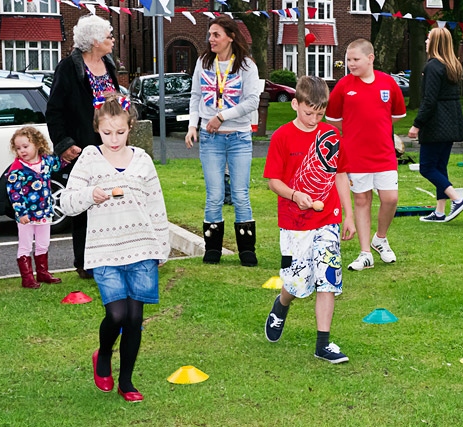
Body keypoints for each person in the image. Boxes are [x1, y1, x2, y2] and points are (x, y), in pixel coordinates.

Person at [61, 92, 170, 402]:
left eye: (120, 132)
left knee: (135, 318)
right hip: (105, 249)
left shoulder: (143, 160)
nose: (114, 138)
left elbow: (156, 205)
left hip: (142, 247)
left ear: (130, 126)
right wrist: (89, 194)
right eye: (107, 132)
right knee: (117, 314)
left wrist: (161, 247)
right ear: (98, 128)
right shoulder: (89, 159)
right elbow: (67, 202)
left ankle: (126, 381)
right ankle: (104, 354)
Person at [263, 76, 356, 364]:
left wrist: (349, 215)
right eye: (308, 112)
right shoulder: (281, 137)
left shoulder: (331, 136)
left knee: (328, 278)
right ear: (295, 104)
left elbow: (340, 174)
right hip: (294, 222)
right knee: (298, 282)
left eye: (320, 113)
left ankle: (323, 344)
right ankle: (282, 304)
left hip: (328, 219)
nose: (314, 118)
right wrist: (294, 195)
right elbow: (273, 181)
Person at [47, 14, 119, 279]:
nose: (112, 40)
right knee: (85, 204)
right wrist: (64, 143)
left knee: (113, 199)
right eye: (109, 36)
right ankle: (85, 262)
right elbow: (54, 111)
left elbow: (114, 104)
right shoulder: (68, 68)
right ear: (94, 41)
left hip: (111, 146)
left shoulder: (109, 64)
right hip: (82, 148)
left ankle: (112, 256)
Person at [185, 15, 260, 267]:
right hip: (210, 138)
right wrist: (192, 126)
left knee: (240, 194)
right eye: (210, 35)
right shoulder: (204, 62)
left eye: (216, 34)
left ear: (231, 36)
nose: (211, 39)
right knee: (214, 194)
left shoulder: (247, 66)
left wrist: (221, 116)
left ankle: (247, 250)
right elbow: (195, 96)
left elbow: (251, 101)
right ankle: (213, 248)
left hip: (239, 137)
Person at [326, 38, 406, 271]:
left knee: (390, 199)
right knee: (362, 200)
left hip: (384, 154)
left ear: (370, 59)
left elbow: (398, 114)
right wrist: (354, 130)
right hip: (355, 155)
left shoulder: (388, 83)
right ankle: (364, 253)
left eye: (355, 60)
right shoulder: (343, 86)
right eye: (348, 60)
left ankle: (380, 238)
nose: (350, 64)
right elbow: (333, 119)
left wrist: (378, 126)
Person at [408, 27, 463, 222]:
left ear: (435, 43)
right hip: (451, 122)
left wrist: (417, 124)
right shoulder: (452, 66)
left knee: (427, 167)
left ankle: (457, 200)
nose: (426, 42)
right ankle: (440, 212)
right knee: (440, 167)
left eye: (428, 39)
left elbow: (429, 100)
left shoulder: (432, 67)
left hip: (437, 125)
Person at [6, 127, 64, 289]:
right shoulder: (17, 169)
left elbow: (58, 165)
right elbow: (13, 192)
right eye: (18, 148)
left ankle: (43, 272)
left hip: (44, 212)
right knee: (25, 245)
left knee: (43, 243)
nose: (22, 151)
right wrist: (21, 212)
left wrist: (68, 155)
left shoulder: (46, 161)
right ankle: (27, 278)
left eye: (25, 146)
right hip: (26, 215)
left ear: (37, 144)